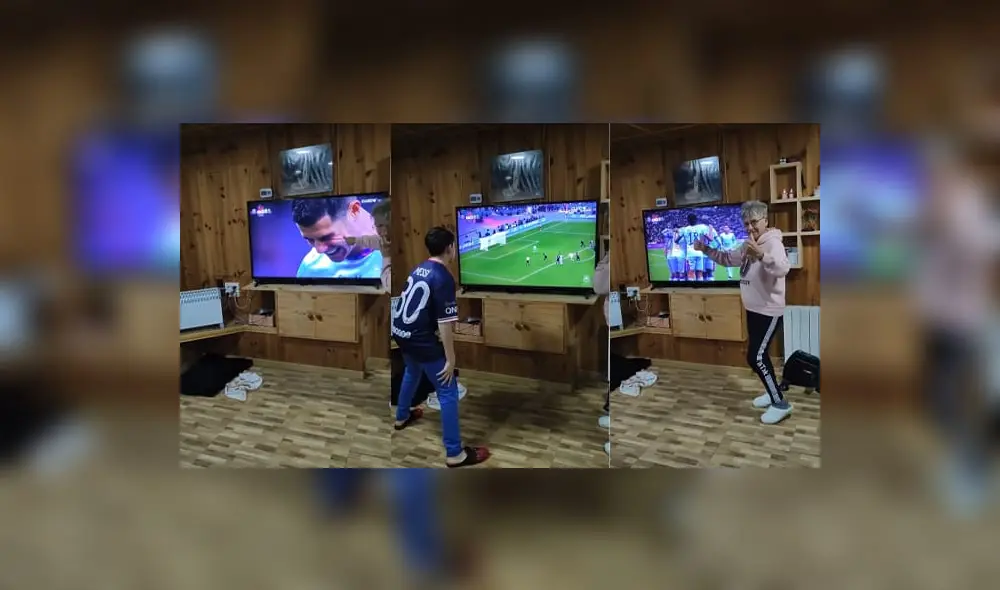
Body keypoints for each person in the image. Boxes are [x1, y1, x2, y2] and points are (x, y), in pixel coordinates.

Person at [392, 227, 490, 467]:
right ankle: (455, 453)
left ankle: (401, 416)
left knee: (412, 371)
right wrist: (450, 358)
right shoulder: (444, 277)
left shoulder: (419, 267)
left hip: (400, 332)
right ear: (450, 248)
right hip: (419, 338)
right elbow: (445, 324)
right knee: (448, 391)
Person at [694, 200, 792, 424]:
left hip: (768, 311)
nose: (750, 227)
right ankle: (772, 392)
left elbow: (783, 268)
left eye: (754, 222)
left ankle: (781, 403)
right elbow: (728, 259)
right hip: (754, 309)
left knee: (755, 357)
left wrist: (760, 255)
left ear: (765, 221)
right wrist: (706, 249)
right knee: (759, 356)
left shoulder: (772, 243)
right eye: (746, 223)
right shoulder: (749, 243)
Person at [292, 197, 383, 279]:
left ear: (354, 211)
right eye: (310, 239)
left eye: (326, 237)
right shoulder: (310, 268)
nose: (319, 250)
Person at [594, 251, 612, 457]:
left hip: (613, 308)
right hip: (611, 312)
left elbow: (599, 285)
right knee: (611, 366)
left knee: (613, 366)